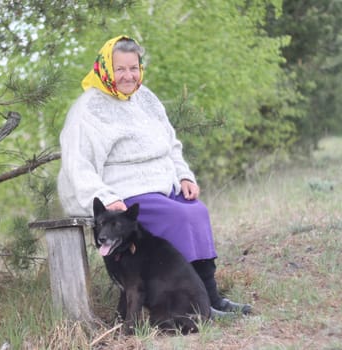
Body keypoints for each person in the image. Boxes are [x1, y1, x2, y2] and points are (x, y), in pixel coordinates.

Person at [57, 35, 251, 315]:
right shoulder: (88, 109)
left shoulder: (145, 98)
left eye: (133, 68)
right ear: (105, 68)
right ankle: (195, 307)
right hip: (123, 193)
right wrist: (106, 198)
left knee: (197, 211)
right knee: (180, 217)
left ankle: (210, 297)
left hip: (164, 186)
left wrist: (184, 175)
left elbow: (170, 143)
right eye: (120, 69)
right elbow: (78, 165)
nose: (128, 76)